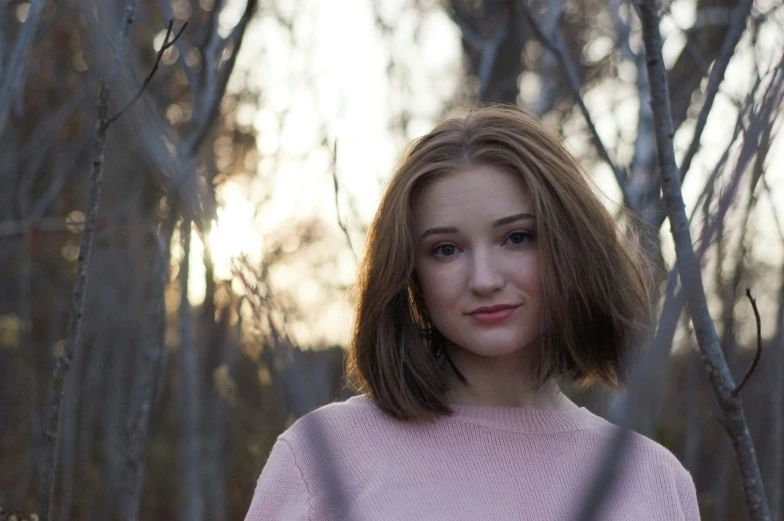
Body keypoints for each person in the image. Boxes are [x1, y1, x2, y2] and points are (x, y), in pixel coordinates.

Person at [243, 105, 700, 521]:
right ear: (411, 272)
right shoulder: (325, 456)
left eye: (516, 237)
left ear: (571, 246)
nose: (484, 279)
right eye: (446, 249)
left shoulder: (653, 480)